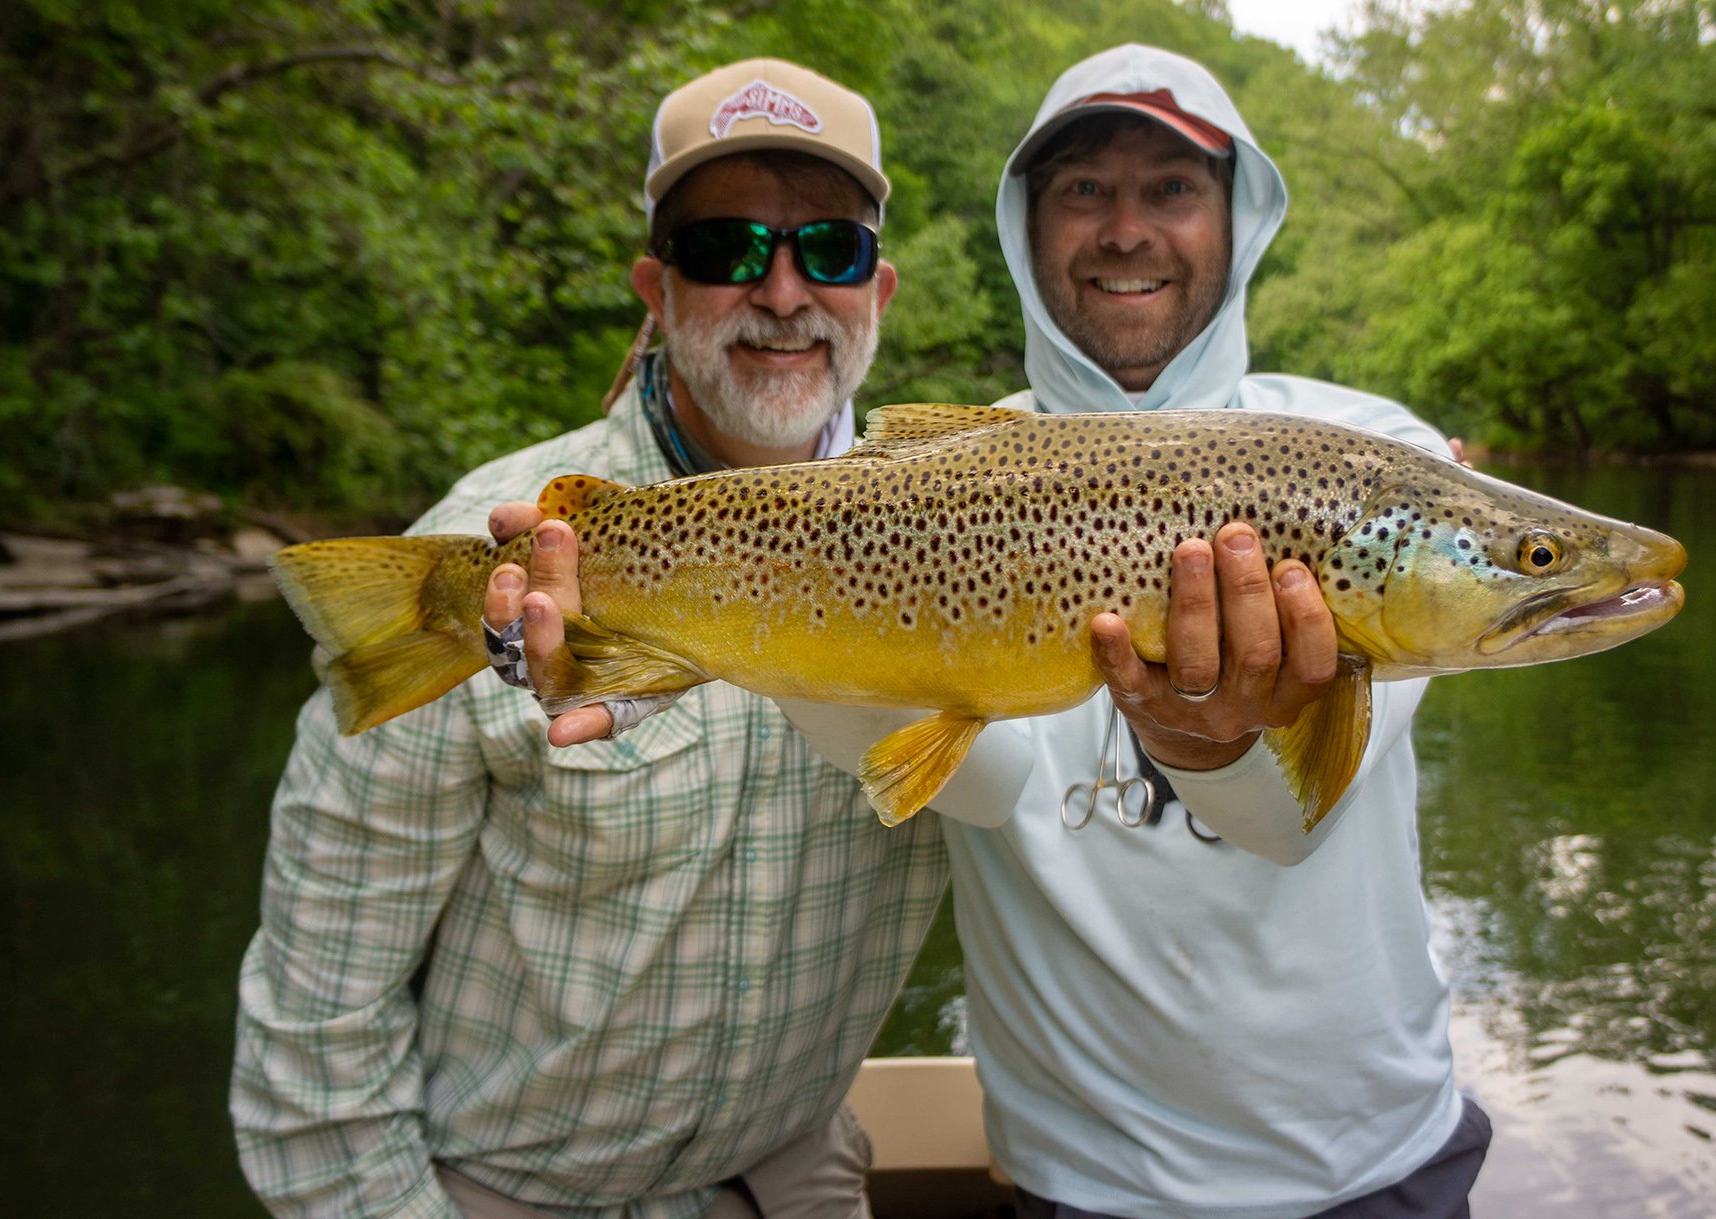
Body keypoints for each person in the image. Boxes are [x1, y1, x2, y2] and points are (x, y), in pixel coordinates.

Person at [486, 44, 1489, 1219]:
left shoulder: (1367, 463)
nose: (1126, 229)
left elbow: (1287, 824)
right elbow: (986, 781)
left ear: (1239, 220)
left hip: (1372, 1170)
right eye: (1082, 191)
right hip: (1078, 1187)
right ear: (1025, 225)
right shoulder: (930, 477)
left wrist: (1214, 742)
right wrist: (700, 638)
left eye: (1170, 188)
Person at [229, 59, 950, 1219]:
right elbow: (316, 1013)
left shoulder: (980, 548)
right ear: (655, 290)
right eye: (723, 249)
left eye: (830, 249)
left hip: (794, 1179)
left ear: (879, 289)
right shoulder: (484, 551)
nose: (781, 291)